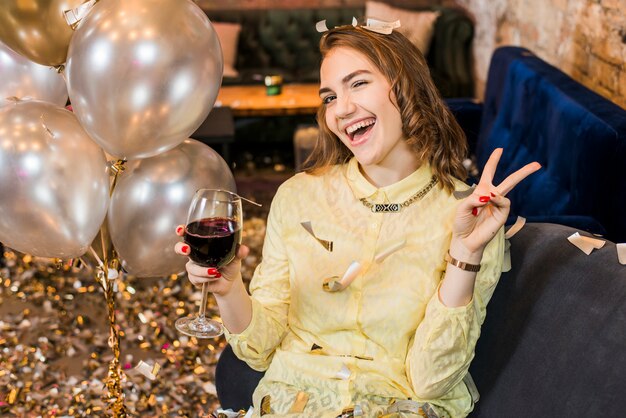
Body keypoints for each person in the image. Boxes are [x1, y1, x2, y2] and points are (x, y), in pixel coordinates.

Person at [175, 21, 540, 418]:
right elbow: (258, 350)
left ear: (405, 87)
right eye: (329, 96)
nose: (341, 109)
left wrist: (464, 253)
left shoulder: (469, 216)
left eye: (358, 83)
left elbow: (431, 380)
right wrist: (230, 291)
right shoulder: (298, 196)